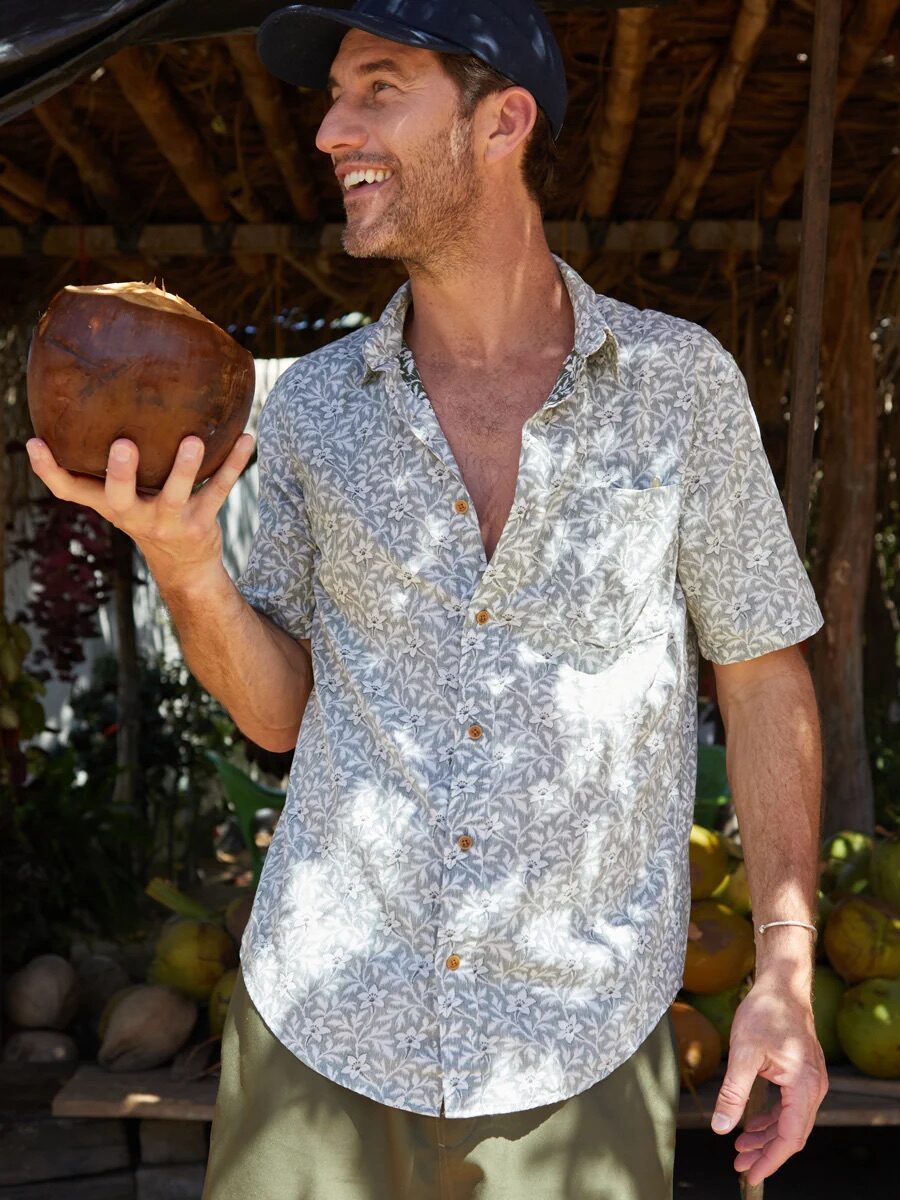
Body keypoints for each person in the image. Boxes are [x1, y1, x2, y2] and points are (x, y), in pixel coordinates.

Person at [27, 1, 830, 1196]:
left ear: (502, 120)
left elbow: (764, 677)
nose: (329, 131)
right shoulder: (312, 410)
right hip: (321, 1029)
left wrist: (784, 965)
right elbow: (278, 715)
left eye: (378, 89)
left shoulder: (679, 390)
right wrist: (186, 563)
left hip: (579, 1048)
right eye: (334, 96)